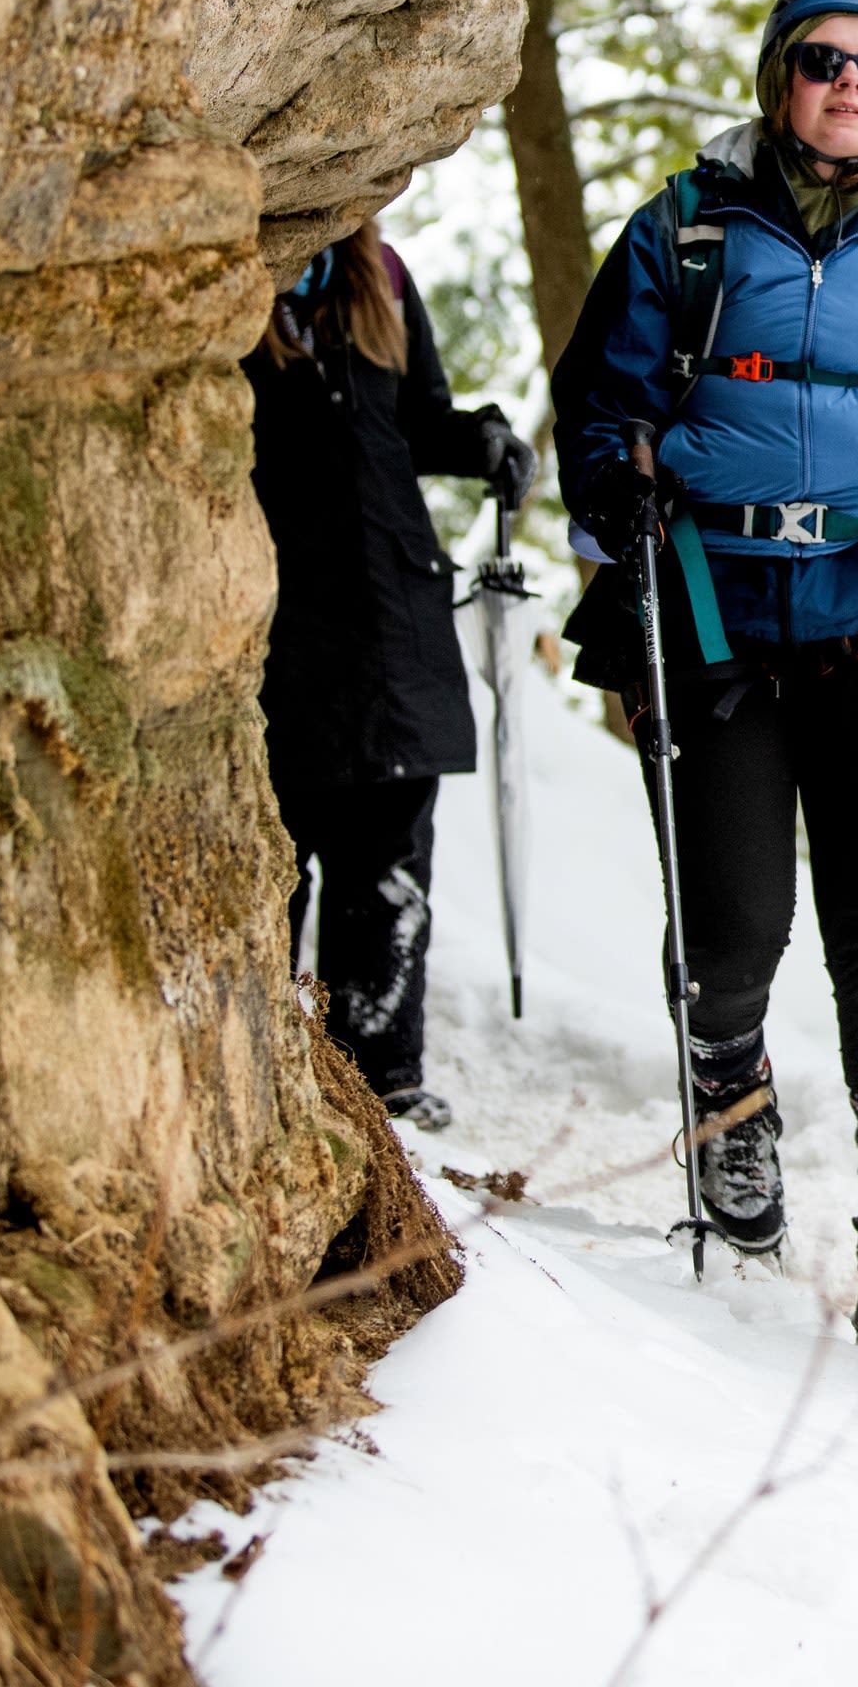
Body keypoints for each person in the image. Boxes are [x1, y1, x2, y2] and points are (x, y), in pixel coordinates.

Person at [552, 0, 858, 1358]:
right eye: (823, 61)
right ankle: (730, 1097)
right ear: (779, 77)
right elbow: (597, 402)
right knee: (733, 918)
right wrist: (615, 492)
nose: (850, 87)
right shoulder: (686, 233)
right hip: (713, 610)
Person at [246, 217, 534, 1134]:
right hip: (279, 617)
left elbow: (416, 421)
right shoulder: (233, 279)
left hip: (392, 616)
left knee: (390, 865)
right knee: (273, 852)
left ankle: (382, 1077)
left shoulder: (381, 275)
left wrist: (483, 443)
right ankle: (265, 1061)